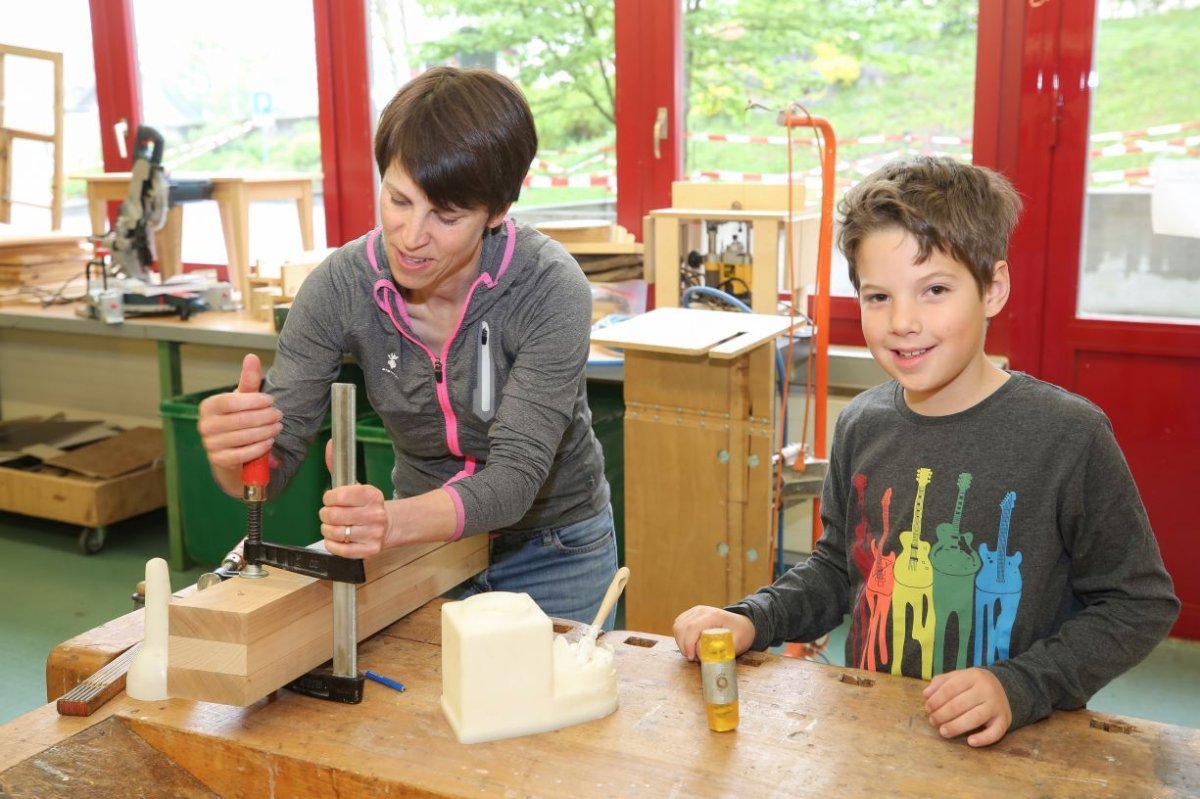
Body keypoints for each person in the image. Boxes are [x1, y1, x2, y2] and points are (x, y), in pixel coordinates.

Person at [672, 155, 1180, 746]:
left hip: (1013, 745)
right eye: (878, 296)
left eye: (934, 289)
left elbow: (1138, 603)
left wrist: (1022, 685)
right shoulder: (861, 424)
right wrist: (751, 618)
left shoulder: (1069, 435)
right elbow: (838, 569)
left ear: (993, 288)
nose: (903, 322)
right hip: (876, 733)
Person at [197, 66, 618, 628]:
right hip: (421, 550)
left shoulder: (549, 287)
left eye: (446, 216)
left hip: (552, 548)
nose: (412, 236)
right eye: (398, 200)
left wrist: (390, 523)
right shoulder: (339, 288)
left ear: (497, 212)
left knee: (565, 687)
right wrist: (236, 457)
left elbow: (514, 480)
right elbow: (271, 470)